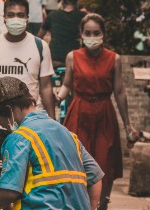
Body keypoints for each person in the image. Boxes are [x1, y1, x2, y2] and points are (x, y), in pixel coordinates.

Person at [0, 77, 103, 210]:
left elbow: (9, 192)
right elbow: (95, 178)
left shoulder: (19, 138)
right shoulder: (68, 134)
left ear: (9, 110)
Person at [0, 0, 55, 193]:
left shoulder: (40, 46)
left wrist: (52, 120)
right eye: (11, 15)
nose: (15, 19)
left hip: (30, 122)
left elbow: (45, 85)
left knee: (30, 174)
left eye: (20, 15)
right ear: (4, 17)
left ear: (28, 18)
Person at [57, 13, 137, 210]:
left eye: (96, 33)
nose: (92, 37)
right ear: (81, 34)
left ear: (103, 35)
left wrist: (128, 125)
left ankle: (102, 205)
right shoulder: (72, 57)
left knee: (104, 164)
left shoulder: (114, 59)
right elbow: (67, 85)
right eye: (88, 33)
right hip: (79, 112)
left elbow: (119, 92)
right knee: (76, 165)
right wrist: (56, 97)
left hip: (104, 114)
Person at [38, 0, 86, 68]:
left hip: (54, 59)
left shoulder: (52, 15)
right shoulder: (83, 17)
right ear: (78, 1)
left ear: (62, 1)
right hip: (74, 60)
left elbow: (39, 37)